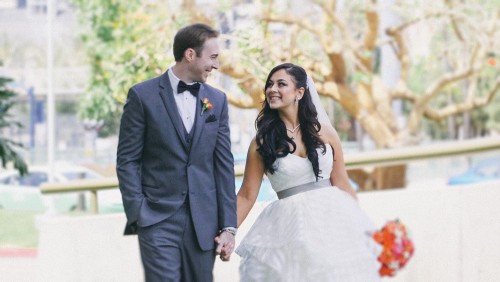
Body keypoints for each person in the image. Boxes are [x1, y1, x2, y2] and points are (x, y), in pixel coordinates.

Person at [234, 63, 381, 281]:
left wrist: (362, 227)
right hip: (289, 229)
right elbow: (246, 195)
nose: (272, 89)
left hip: (331, 221)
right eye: (270, 84)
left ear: (299, 92)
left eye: (281, 84)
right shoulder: (261, 143)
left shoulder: (326, 133)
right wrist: (226, 232)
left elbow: (342, 183)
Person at [116, 23, 237, 282]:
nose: (216, 65)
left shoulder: (217, 100)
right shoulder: (142, 95)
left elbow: (223, 166)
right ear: (190, 54)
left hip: (204, 223)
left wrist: (228, 227)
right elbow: (127, 160)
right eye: (213, 57)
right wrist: (138, 211)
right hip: (157, 219)